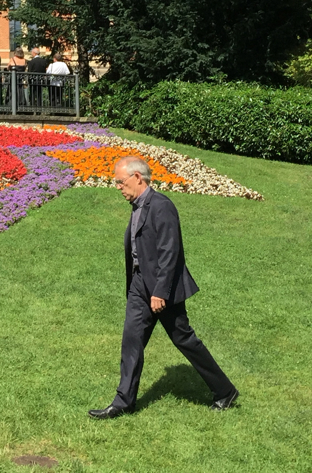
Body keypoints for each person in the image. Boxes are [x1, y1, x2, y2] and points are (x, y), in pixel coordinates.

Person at [89, 156, 238, 419]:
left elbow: (170, 252)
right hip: (138, 285)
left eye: (121, 182)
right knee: (131, 340)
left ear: (138, 178)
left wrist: (160, 291)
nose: (118, 187)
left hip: (161, 288)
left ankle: (224, 391)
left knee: (184, 339)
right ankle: (123, 402)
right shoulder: (137, 206)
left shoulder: (162, 206)